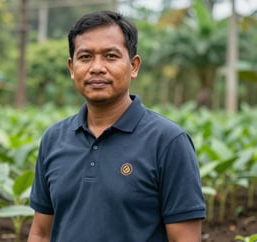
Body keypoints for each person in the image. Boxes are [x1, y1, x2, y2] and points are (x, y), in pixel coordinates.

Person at [28, 10, 206, 242]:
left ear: (133, 66)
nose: (97, 67)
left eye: (110, 56)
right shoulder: (54, 138)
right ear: (72, 68)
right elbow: (41, 233)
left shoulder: (168, 142)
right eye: (85, 57)